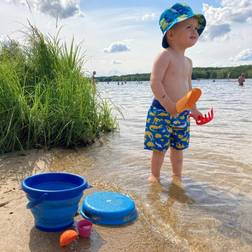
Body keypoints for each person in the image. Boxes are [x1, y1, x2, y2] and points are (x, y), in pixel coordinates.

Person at [144, 3, 206, 183]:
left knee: (178, 148)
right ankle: (155, 176)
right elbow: (154, 82)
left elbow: (189, 88)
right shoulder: (165, 56)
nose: (194, 31)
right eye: (188, 27)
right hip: (162, 111)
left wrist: (193, 109)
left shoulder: (188, 61)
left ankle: (177, 177)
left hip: (182, 112)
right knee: (159, 148)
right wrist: (169, 105)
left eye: (196, 28)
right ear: (170, 33)